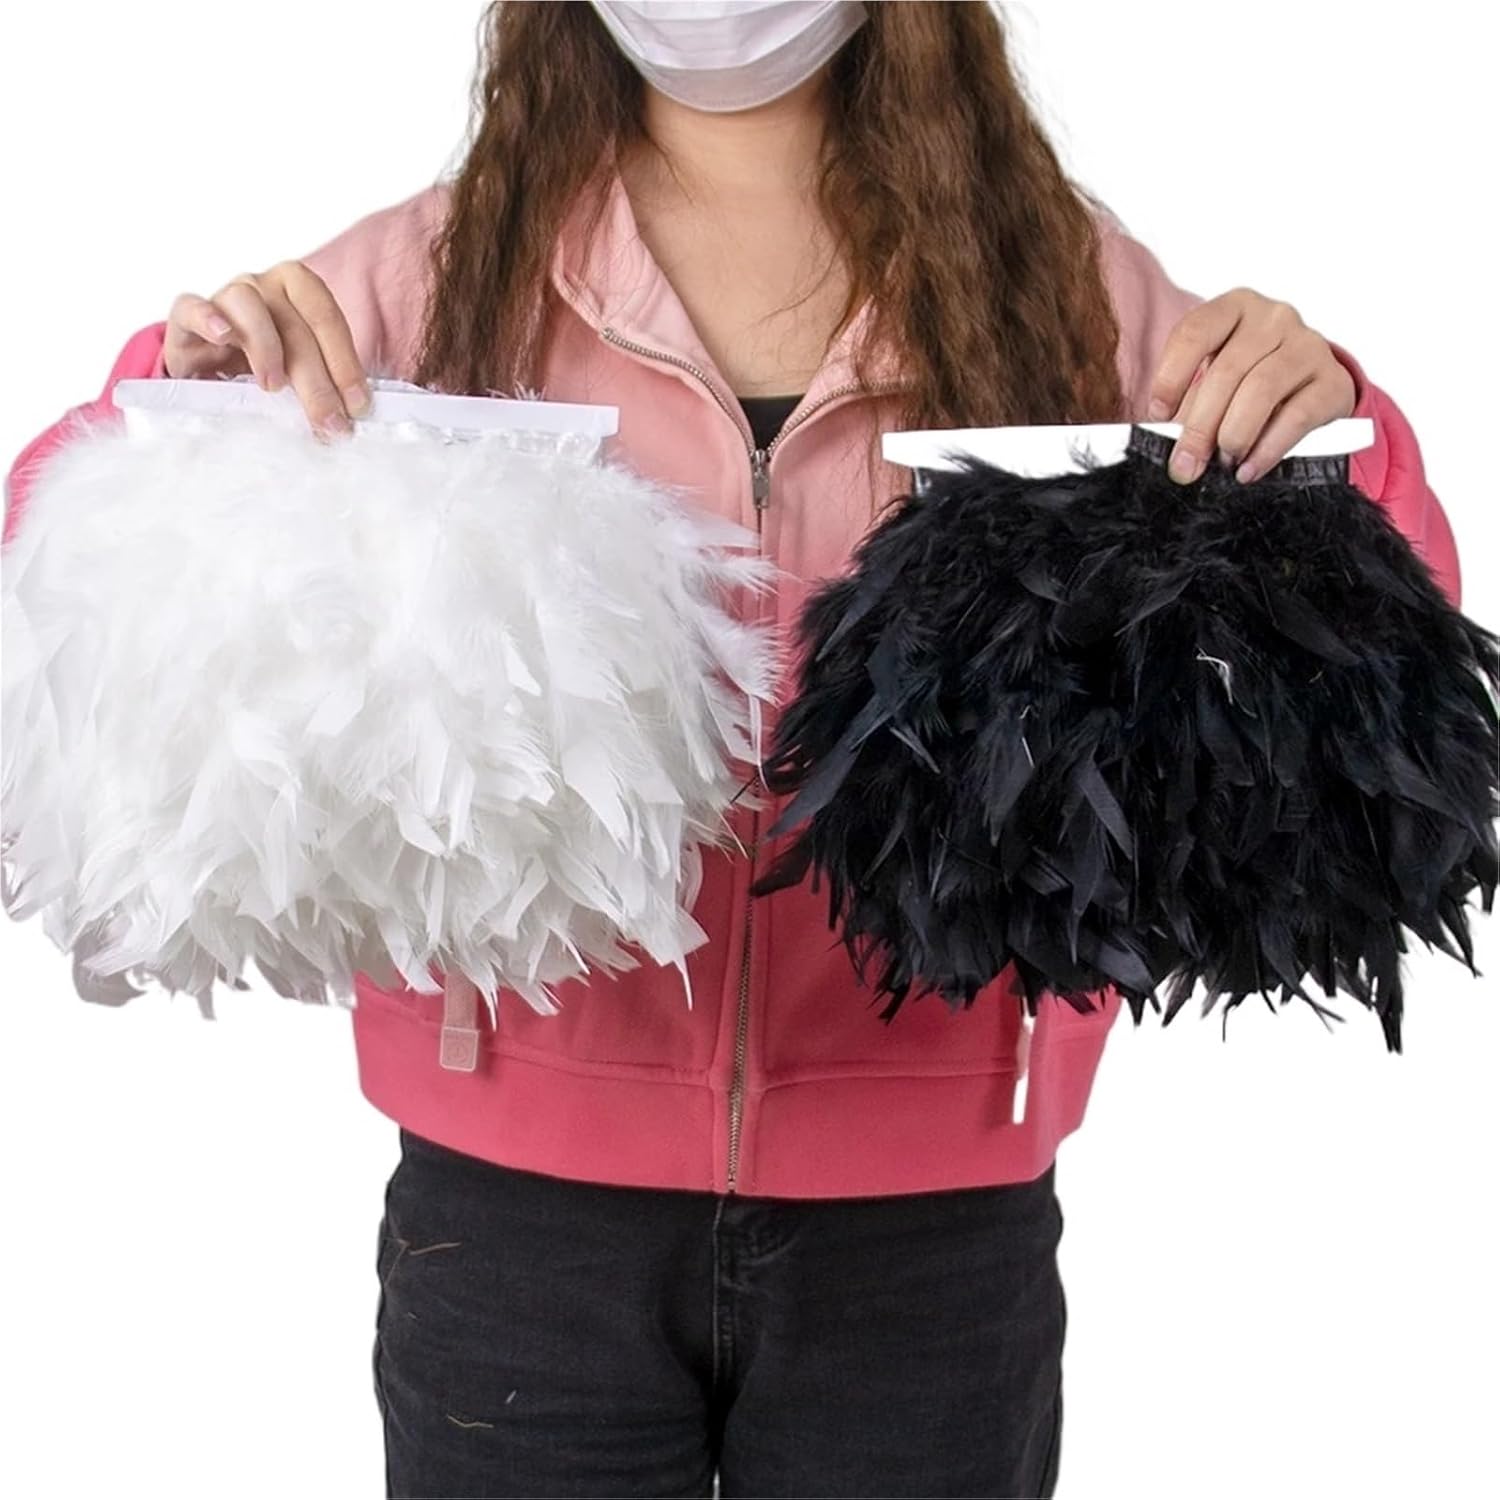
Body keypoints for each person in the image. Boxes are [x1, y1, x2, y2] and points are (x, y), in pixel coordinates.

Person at [1, 3, 1462, 1496]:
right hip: (516, 1233)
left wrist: (1335, 422)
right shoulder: (434, 276)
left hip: (932, 1245)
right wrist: (173, 401)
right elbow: (50, 595)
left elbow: (1396, 655)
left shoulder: (1061, 288)